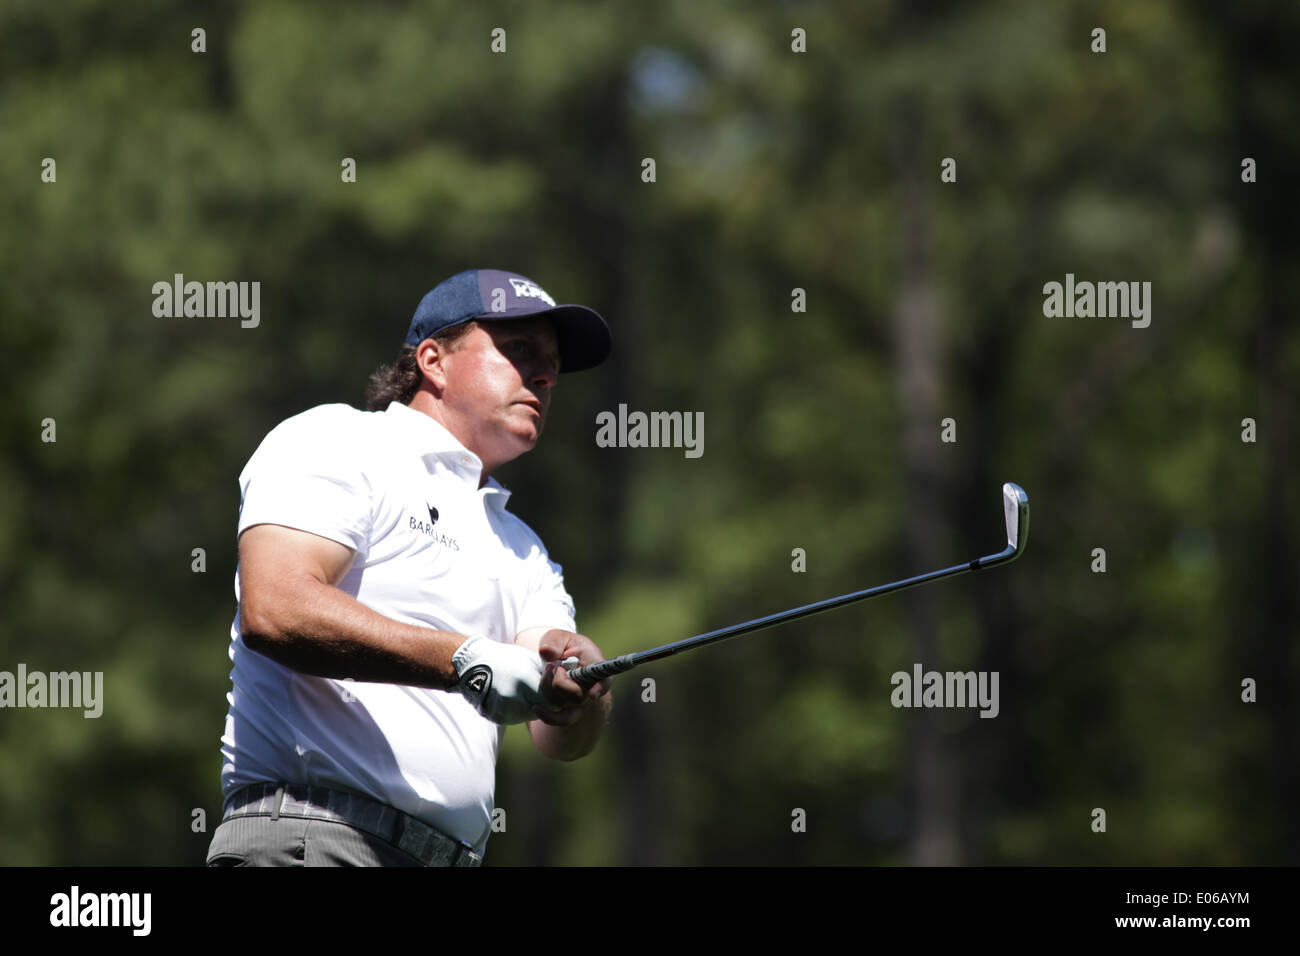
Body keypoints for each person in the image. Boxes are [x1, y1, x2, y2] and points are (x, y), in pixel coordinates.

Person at [205, 268, 614, 867]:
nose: (545, 376)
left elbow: (557, 740)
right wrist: (467, 660)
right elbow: (276, 607)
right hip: (312, 841)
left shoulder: (522, 546)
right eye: (519, 350)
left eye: (550, 364)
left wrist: (583, 684)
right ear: (433, 360)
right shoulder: (339, 440)